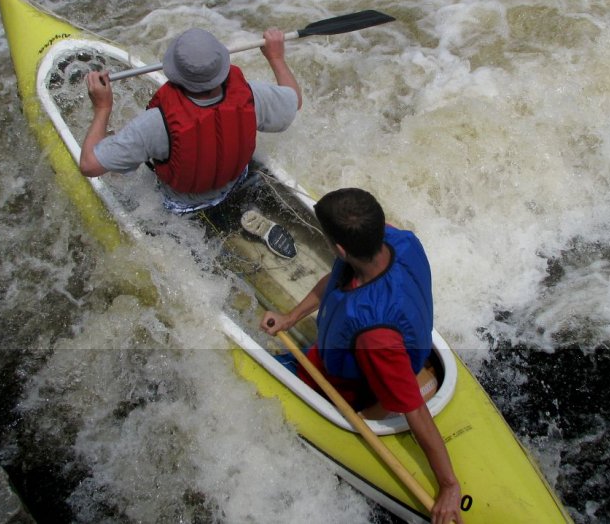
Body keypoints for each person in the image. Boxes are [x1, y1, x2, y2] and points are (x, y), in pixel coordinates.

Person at [260, 188, 464, 524]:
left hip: (349, 383)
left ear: (340, 248)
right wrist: (290, 318)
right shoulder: (403, 242)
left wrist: (449, 485)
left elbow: (414, 410)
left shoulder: (375, 336)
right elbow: (336, 280)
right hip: (393, 351)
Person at [79, 27, 301, 214]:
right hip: (237, 180)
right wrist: (276, 58)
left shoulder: (156, 124)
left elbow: (89, 166)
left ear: (174, 73)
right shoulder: (252, 96)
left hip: (182, 204)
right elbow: (295, 100)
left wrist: (103, 107)